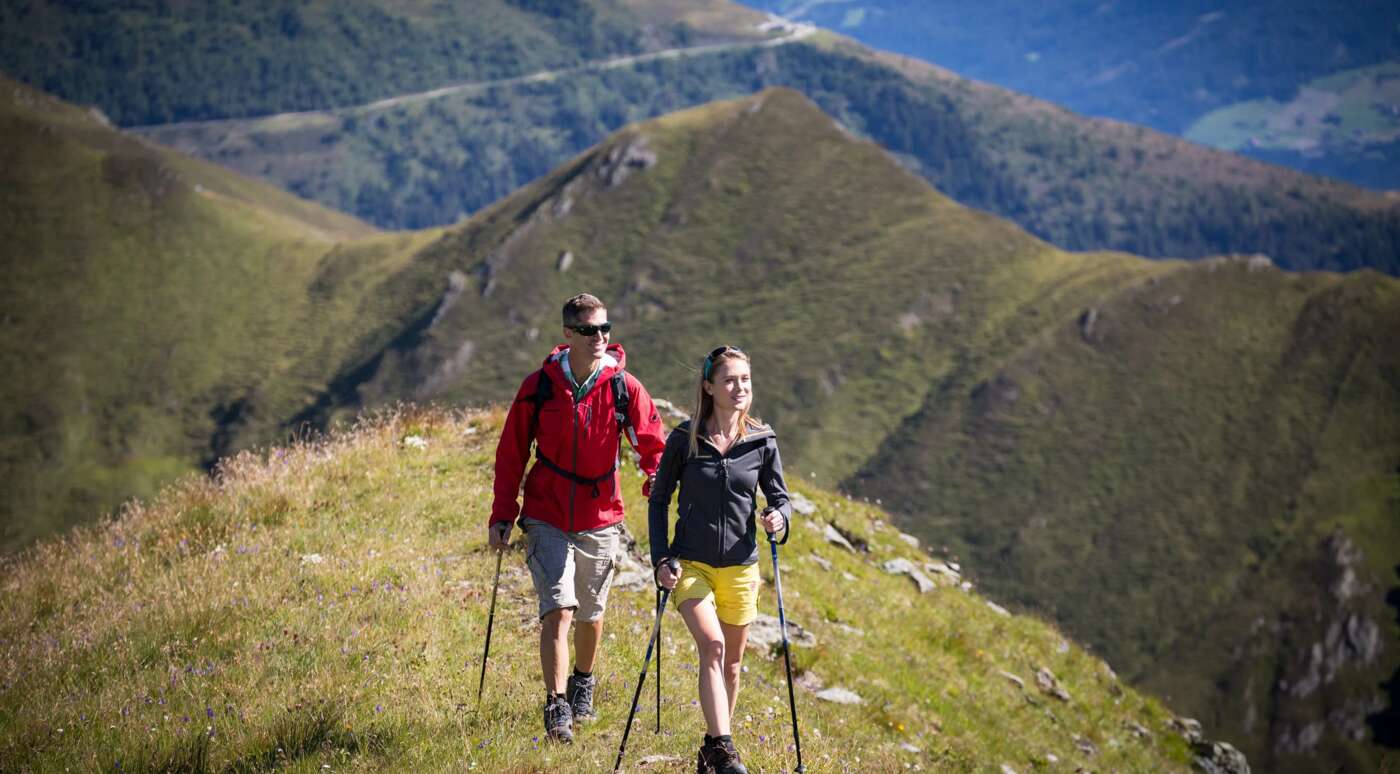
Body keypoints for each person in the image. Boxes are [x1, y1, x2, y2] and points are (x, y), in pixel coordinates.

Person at [490, 293, 666, 743]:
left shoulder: (624, 387)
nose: (599, 337)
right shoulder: (539, 386)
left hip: (601, 516)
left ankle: (583, 680)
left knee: (590, 612)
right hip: (546, 513)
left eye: (605, 328)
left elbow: (652, 443)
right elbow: (511, 453)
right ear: (568, 334)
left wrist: (656, 479)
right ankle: (556, 704)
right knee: (559, 609)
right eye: (589, 330)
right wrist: (502, 514)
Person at [648, 346, 793, 774]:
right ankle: (727, 750)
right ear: (709, 387)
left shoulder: (762, 439)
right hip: (690, 564)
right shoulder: (685, 439)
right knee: (712, 646)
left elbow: (781, 497)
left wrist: (779, 517)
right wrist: (660, 559)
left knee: (732, 664)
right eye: (729, 380)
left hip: (742, 567)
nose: (739, 387)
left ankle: (713, 751)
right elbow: (658, 501)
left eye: (744, 380)